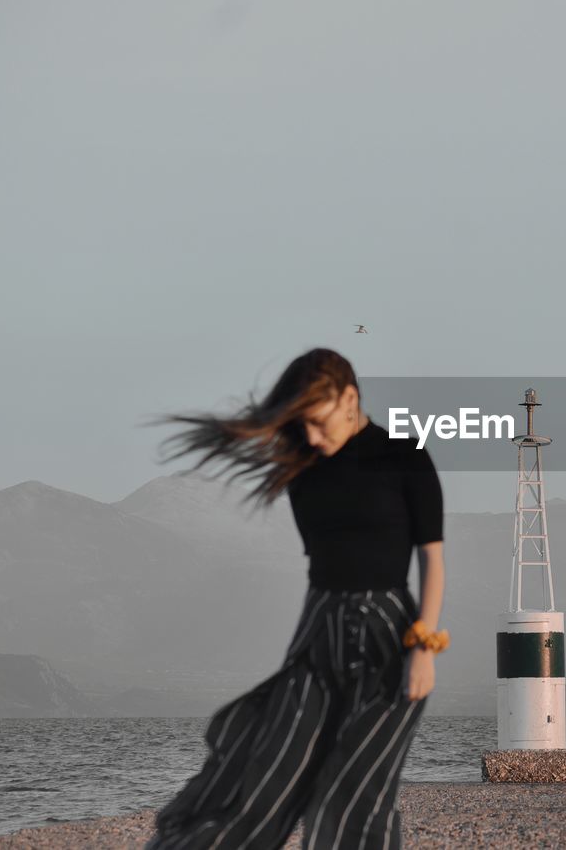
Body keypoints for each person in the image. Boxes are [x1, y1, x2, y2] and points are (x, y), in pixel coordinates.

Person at [141, 347, 448, 850]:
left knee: (351, 794)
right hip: (318, 633)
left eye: (318, 421)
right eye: (300, 424)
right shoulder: (304, 470)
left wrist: (424, 648)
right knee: (266, 773)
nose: (310, 436)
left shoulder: (404, 457)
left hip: (389, 640)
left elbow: (431, 559)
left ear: (350, 398)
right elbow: (324, 571)